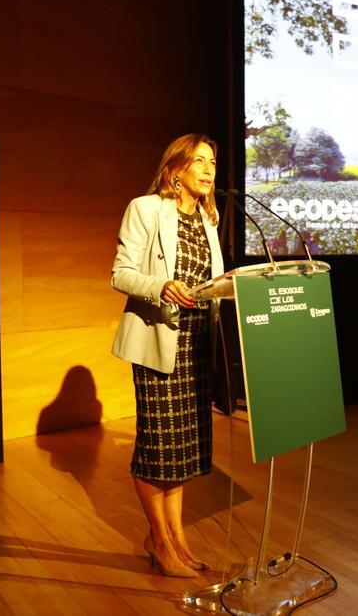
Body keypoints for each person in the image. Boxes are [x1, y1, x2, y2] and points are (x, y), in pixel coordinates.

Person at [110, 133, 223, 578]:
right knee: (157, 447)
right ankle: (158, 539)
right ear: (176, 169)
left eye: (212, 161)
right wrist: (160, 286)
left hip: (196, 347)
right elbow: (121, 272)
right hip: (159, 341)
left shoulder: (209, 219)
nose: (209, 169)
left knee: (180, 452)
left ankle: (178, 540)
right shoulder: (146, 208)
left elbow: (207, 282)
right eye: (199, 160)